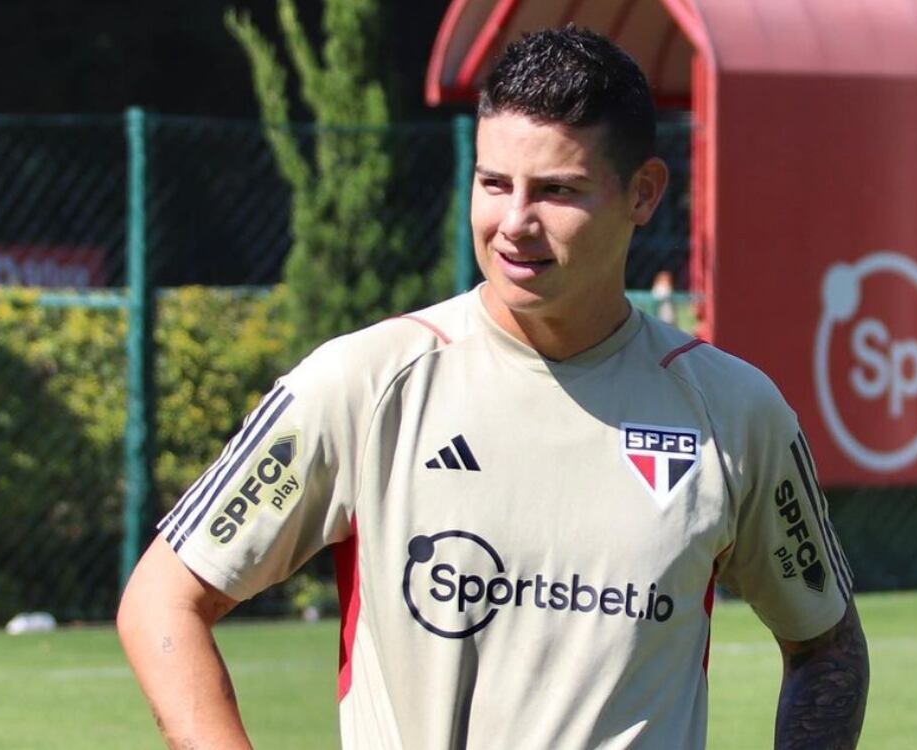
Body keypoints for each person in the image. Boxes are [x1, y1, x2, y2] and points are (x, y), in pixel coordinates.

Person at [118, 25, 868, 750]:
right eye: (493, 183)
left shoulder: (733, 413)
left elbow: (826, 645)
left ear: (643, 194)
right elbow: (165, 598)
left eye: (557, 190)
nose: (514, 223)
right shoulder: (366, 384)